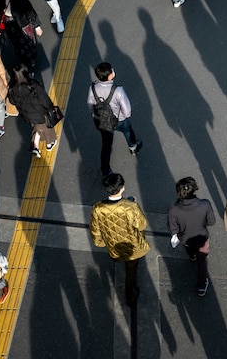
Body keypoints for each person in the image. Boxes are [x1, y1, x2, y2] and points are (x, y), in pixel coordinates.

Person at [89, 173, 150, 306]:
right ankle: (130, 296)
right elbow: (142, 224)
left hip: (113, 246)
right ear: (122, 188)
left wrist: (100, 242)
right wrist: (134, 204)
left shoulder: (98, 208)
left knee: (120, 260)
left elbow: (95, 230)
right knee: (131, 271)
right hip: (132, 246)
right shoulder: (130, 206)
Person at [86, 62, 142, 178]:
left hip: (103, 122)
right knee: (128, 131)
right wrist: (125, 116)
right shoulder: (118, 90)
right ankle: (133, 147)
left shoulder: (93, 88)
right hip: (119, 120)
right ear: (110, 76)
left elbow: (90, 104)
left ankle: (105, 170)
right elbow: (127, 111)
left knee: (106, 145)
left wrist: (94, 115)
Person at [167, 177, 216, 297]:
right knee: (202, 262)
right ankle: (201, 286)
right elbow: (211, 222)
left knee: (190, 249)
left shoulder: (174, 210)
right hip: (201, 238)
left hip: (186, 239)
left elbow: (173, 229)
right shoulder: (205, 204)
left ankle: (192, 256)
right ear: (194, 189)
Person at [7, 63, 57, 158]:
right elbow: (44, 99)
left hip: (26, 114)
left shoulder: (12, 89)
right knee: (47, 128)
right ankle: (49, 144)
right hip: (40, 113)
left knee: (37, 127)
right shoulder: (33, 86)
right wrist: (51, 108)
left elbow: (12, 102)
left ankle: (35, 146)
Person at [0, 0, 43, 72]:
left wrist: (36, 25)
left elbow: (30, 11)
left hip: (22, 23)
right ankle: (24, 59)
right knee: (17, 44)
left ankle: (31, 62)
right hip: (9, 24)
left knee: (28, 42)